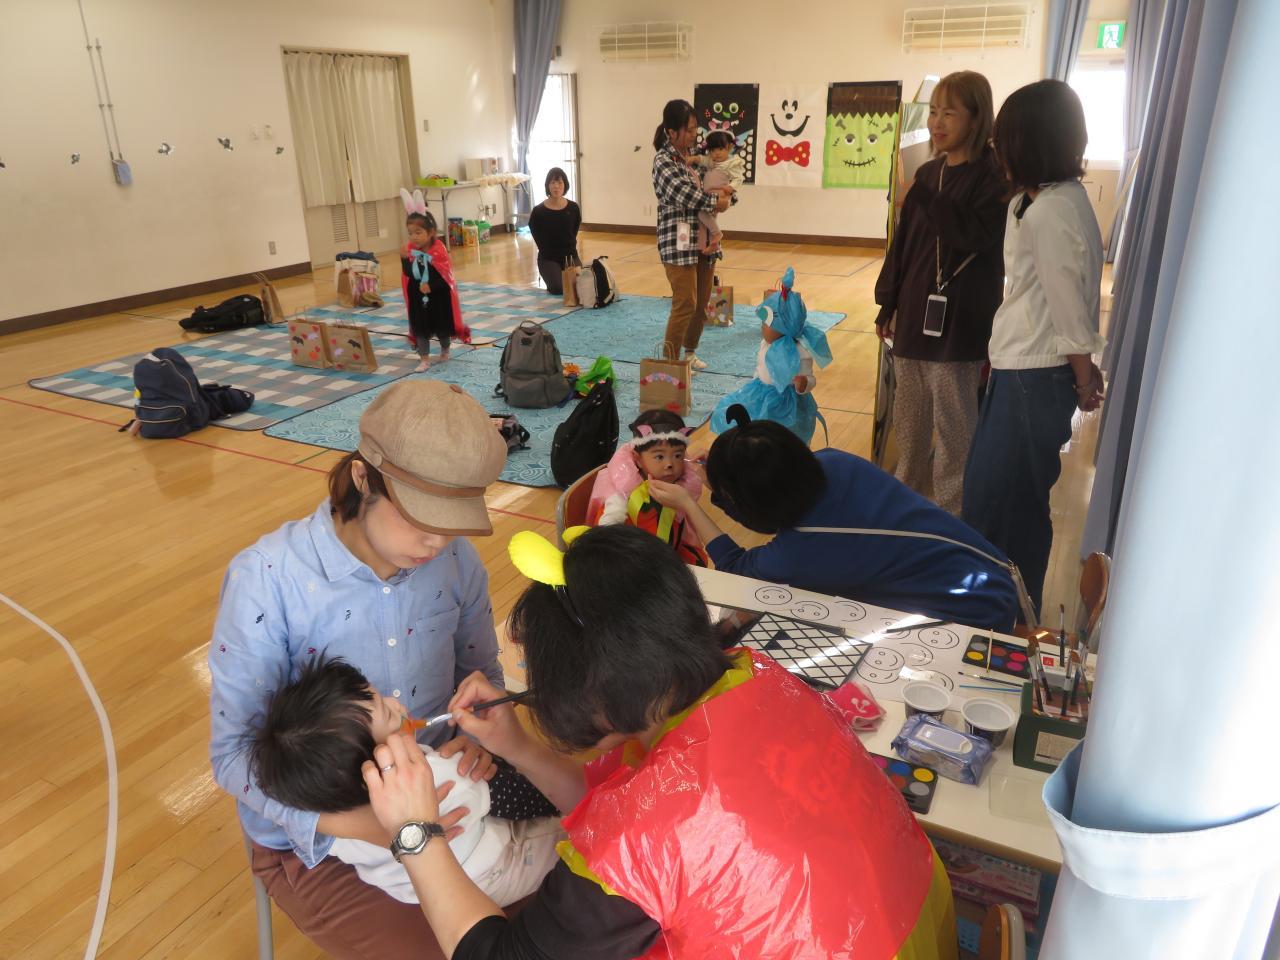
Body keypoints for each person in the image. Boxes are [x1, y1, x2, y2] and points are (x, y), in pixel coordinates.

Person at [355, 525, 960, 959]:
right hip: (920, 927)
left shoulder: (641, 836)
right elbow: (642, 824)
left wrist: (416, 833)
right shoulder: (758, 679)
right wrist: (518, 747)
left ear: (590, 687)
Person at [209, 379, 553, 960]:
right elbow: (233, 758)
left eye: (452, 521)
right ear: (363, 477)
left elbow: (480, 673)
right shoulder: (268, 581)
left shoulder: (456, 562)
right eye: (419, 516)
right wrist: (376, 826)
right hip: (326, 836)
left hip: (447, 786)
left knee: (580, 884)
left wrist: (480, 736)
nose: (436, 540)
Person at [651, 406, 1020, 631]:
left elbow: (737, 568)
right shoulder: (833, 462)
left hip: (976, 618)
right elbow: (772, 517)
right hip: (993, 571)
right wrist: (720, 485)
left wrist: (691, 505)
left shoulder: (803, 551)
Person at [248, 655, 563, 908]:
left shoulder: (331, 808)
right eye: (388, 713)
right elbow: (514, 796)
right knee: (567, 836)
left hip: (416, 891)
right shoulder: (440, 777)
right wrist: (506, 761)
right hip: (491, 872)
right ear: (373, 770)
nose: (397, 703)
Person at [962, 79, 1106, 618]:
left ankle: (1010, 622)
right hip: (1020, 368)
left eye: (1004, 138)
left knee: (1007, 510)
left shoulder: (1052, 210)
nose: (996, 148)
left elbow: (1069, 304)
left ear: (1029, 141)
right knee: (991, 503)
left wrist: (1085, 378)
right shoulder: (1038, 201)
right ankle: (997, 615)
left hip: (1034, 375)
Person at [874, 71, 1008, 516]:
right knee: (909, 426)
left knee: (955, 431)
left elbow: (974, 236)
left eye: (949, 112)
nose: (937, 122)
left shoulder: (994, 177)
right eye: (933, 112)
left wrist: (926, 197)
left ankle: (953, 519)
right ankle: (906, 511)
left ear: (977, 118)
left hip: (962, 325)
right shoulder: (929, 172)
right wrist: (888, 302)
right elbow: (904, 245)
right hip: (915, 317)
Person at [652, 99, 735, 371]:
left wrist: (728, 197)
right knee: (685, 302)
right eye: (688, 130)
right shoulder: (663, 160)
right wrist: (715, 201)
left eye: (695, 128)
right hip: (679, 240)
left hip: (704, 237)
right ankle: (669, 364)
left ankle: (689, 354)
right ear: (671, 131)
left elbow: (719, 180)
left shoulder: (696, 158)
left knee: (701, 304)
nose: (693, 134)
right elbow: (684, 194)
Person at [709, 266, 832, 443]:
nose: (762, 328)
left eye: (766, 325)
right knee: (754, 427)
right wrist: (754, 381)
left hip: (786, 402)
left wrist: (803, 384)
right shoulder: (766, 343)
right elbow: (761, 367)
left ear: (785, 327)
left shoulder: (799, 351)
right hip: (761, 393)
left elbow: (810, 378)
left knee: (783, 435)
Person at [586, 409, 708, 566]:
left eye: (677, 455)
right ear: (637, 459)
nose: (669, 464)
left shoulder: (679, 486)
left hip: (668, 551)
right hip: (629, 558)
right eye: (659, 456)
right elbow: (607, 536)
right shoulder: (620, 494)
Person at [399, 189, 468, 371]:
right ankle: (424, 359)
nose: (413, 237)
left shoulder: (439, 251)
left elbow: (446, 279)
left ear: (430, 232)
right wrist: (404, 259)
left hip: (438, 299)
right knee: (420, 329)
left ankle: (445, 349)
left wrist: (432, 286)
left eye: (418, 232)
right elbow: (408, 274)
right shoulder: (410, 250)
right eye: (410, 233)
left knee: (442, 329)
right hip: (418, 298)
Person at [527, 167, 582, 296]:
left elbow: (573, 231)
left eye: (560, 182)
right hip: (548, 258)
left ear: (565, 185)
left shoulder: (573, 208)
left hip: (570, 256)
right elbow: (536, 235)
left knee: (580, 286)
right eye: (553, 182)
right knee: (558, 289)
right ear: (548, 186)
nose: (556, 186)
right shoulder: (538, 211)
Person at [689, 130, 745, 253]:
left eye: (720, 149)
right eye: (713, 150)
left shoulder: (730, 163)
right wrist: (693, 159)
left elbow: (739, 178)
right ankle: (714, 243)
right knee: (711, 220)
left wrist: (731, 187)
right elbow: (702, 159)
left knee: (702, 214)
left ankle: (717, 234)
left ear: (729, 147)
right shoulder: (712, 161)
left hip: (719, 194)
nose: (717, 153)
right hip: (709, 195)